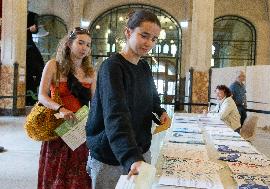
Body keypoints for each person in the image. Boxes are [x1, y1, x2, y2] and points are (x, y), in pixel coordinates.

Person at [86, 10, 170, 189]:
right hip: (112, 156)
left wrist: (160, 111)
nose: (149, 43)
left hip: (139, 151)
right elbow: (116, 115)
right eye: (144, 35)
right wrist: (131, 157)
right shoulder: (112, 67)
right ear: (128, 32)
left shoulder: (144, 66)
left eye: (154, 39)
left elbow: (152, 97)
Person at [37, 27, 96, 189]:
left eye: (88, 45)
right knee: (54, 172)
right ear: (69, 43)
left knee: (78, 174)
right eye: (81, 42)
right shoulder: (53, 66)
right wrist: (60, 108)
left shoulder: (90, 72)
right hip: (57, 128)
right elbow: (42, 96)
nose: (84, 48)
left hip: (79, 130)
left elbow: (96, 102)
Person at [26, 11, 45, 106]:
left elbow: (35, 29)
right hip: (20, 42)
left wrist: (33, 29)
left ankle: (33, 94)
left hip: (28, 42)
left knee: (40, 64)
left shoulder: (33, 15)